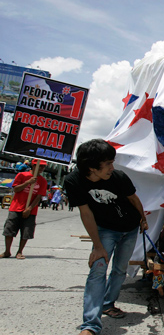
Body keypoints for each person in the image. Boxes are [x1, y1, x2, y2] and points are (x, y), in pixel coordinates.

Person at [63, 139, 149, 335]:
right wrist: (97, 246)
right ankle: (90, 326)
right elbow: (86, 213)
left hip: (130, 228)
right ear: (92, 168)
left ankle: (108, 304)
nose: (112, 167)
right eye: (108, 163)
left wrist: (143, 220)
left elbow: (134, 200)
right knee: (97, 269)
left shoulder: (119, 177)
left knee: (119, 270)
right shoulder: (73, 181)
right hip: (105, 230)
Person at [1, 159, 48, 259]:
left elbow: (39, 196)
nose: (41, 168)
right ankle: (7, 251)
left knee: (26, 231)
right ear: (33, 165)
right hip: (16, 207)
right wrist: (28, 182)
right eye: (39, 166)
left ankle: (20, 251)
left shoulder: (43, 181)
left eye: (43, 167)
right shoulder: (22, 175)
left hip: (30, 210)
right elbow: (16, 189)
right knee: (9, 230)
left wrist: (29, 209)